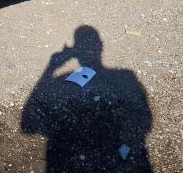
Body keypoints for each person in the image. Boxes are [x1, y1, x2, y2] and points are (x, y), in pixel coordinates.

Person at [21, 25, 152, 172]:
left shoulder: (126, 76)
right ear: (101, 46)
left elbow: (28, 126)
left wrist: (51, 67)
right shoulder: (127, 76)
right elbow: (145, 120)